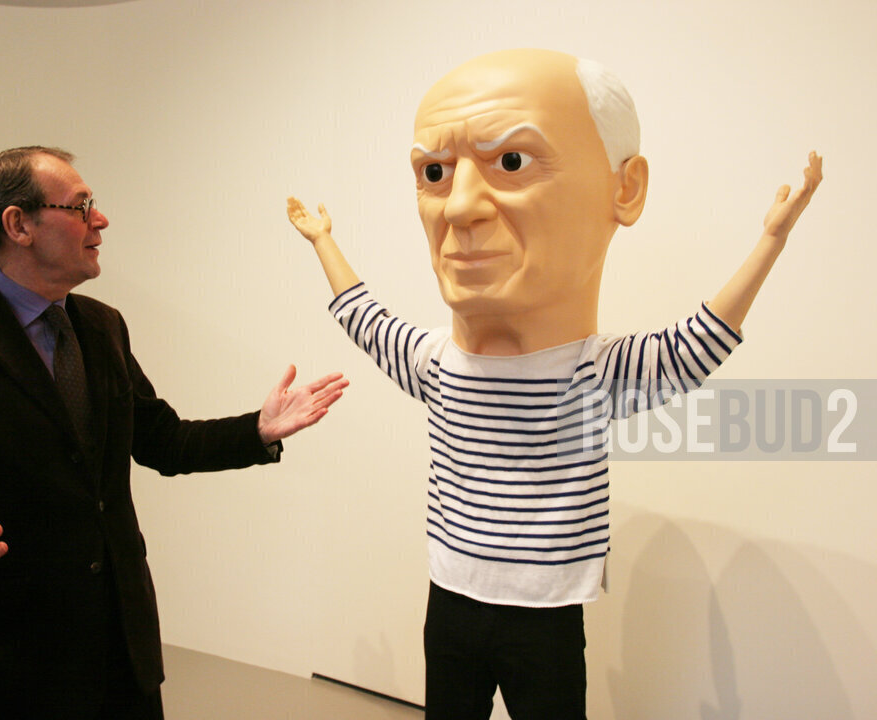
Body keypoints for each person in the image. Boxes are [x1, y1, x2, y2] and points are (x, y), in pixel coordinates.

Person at [287, 48, 821, 719]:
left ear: (623, 189)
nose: (460, 208)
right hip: (451, 598)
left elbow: (696, 345)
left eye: (511, 162)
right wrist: (323, 241)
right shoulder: (438, 367)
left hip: (545, 612)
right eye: (433, 172)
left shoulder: (593, 373)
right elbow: (364, 317)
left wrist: (771, 239)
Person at [0, 145, 349, 720]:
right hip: (5, 676)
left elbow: (162, 440)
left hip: (120, 658)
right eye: (81, 205)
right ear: (19, 225)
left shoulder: (102, 326)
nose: (100, 220)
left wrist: (256, 431)